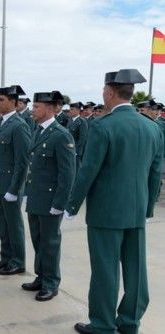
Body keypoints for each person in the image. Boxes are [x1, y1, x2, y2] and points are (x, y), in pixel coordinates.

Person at [66, 69, 163, 334]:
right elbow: (155, 172)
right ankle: (130, 322)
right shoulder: (152, 127)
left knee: (106, 270)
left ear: (109, 92)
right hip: (136, 211)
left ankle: (102, 324)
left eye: (103, 91)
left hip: (106, 212)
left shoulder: (103, 126)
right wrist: (147, 207)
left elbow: (88, 170)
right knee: (137, 270)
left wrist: (72, 205)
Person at [22, 90, 76, 302]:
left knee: (50, 242)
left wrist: (60, 203)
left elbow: (68, 173)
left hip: (51, 200)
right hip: (36, 196)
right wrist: (27, 193)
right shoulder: (37, 131)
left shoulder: (61, 135)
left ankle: (51, 282)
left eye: (36, 107)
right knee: (37, 239)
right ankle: (41, 276)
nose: (32, 110)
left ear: (49, 108)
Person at [0, 85, 31, 273]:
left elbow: (22, 162)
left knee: (14, 225)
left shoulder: (19, 126)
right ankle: (6, 256)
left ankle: (18, 261)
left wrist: (14, 189)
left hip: (9, 186)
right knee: (2, 223)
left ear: (13, 102)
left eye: (1, 100)